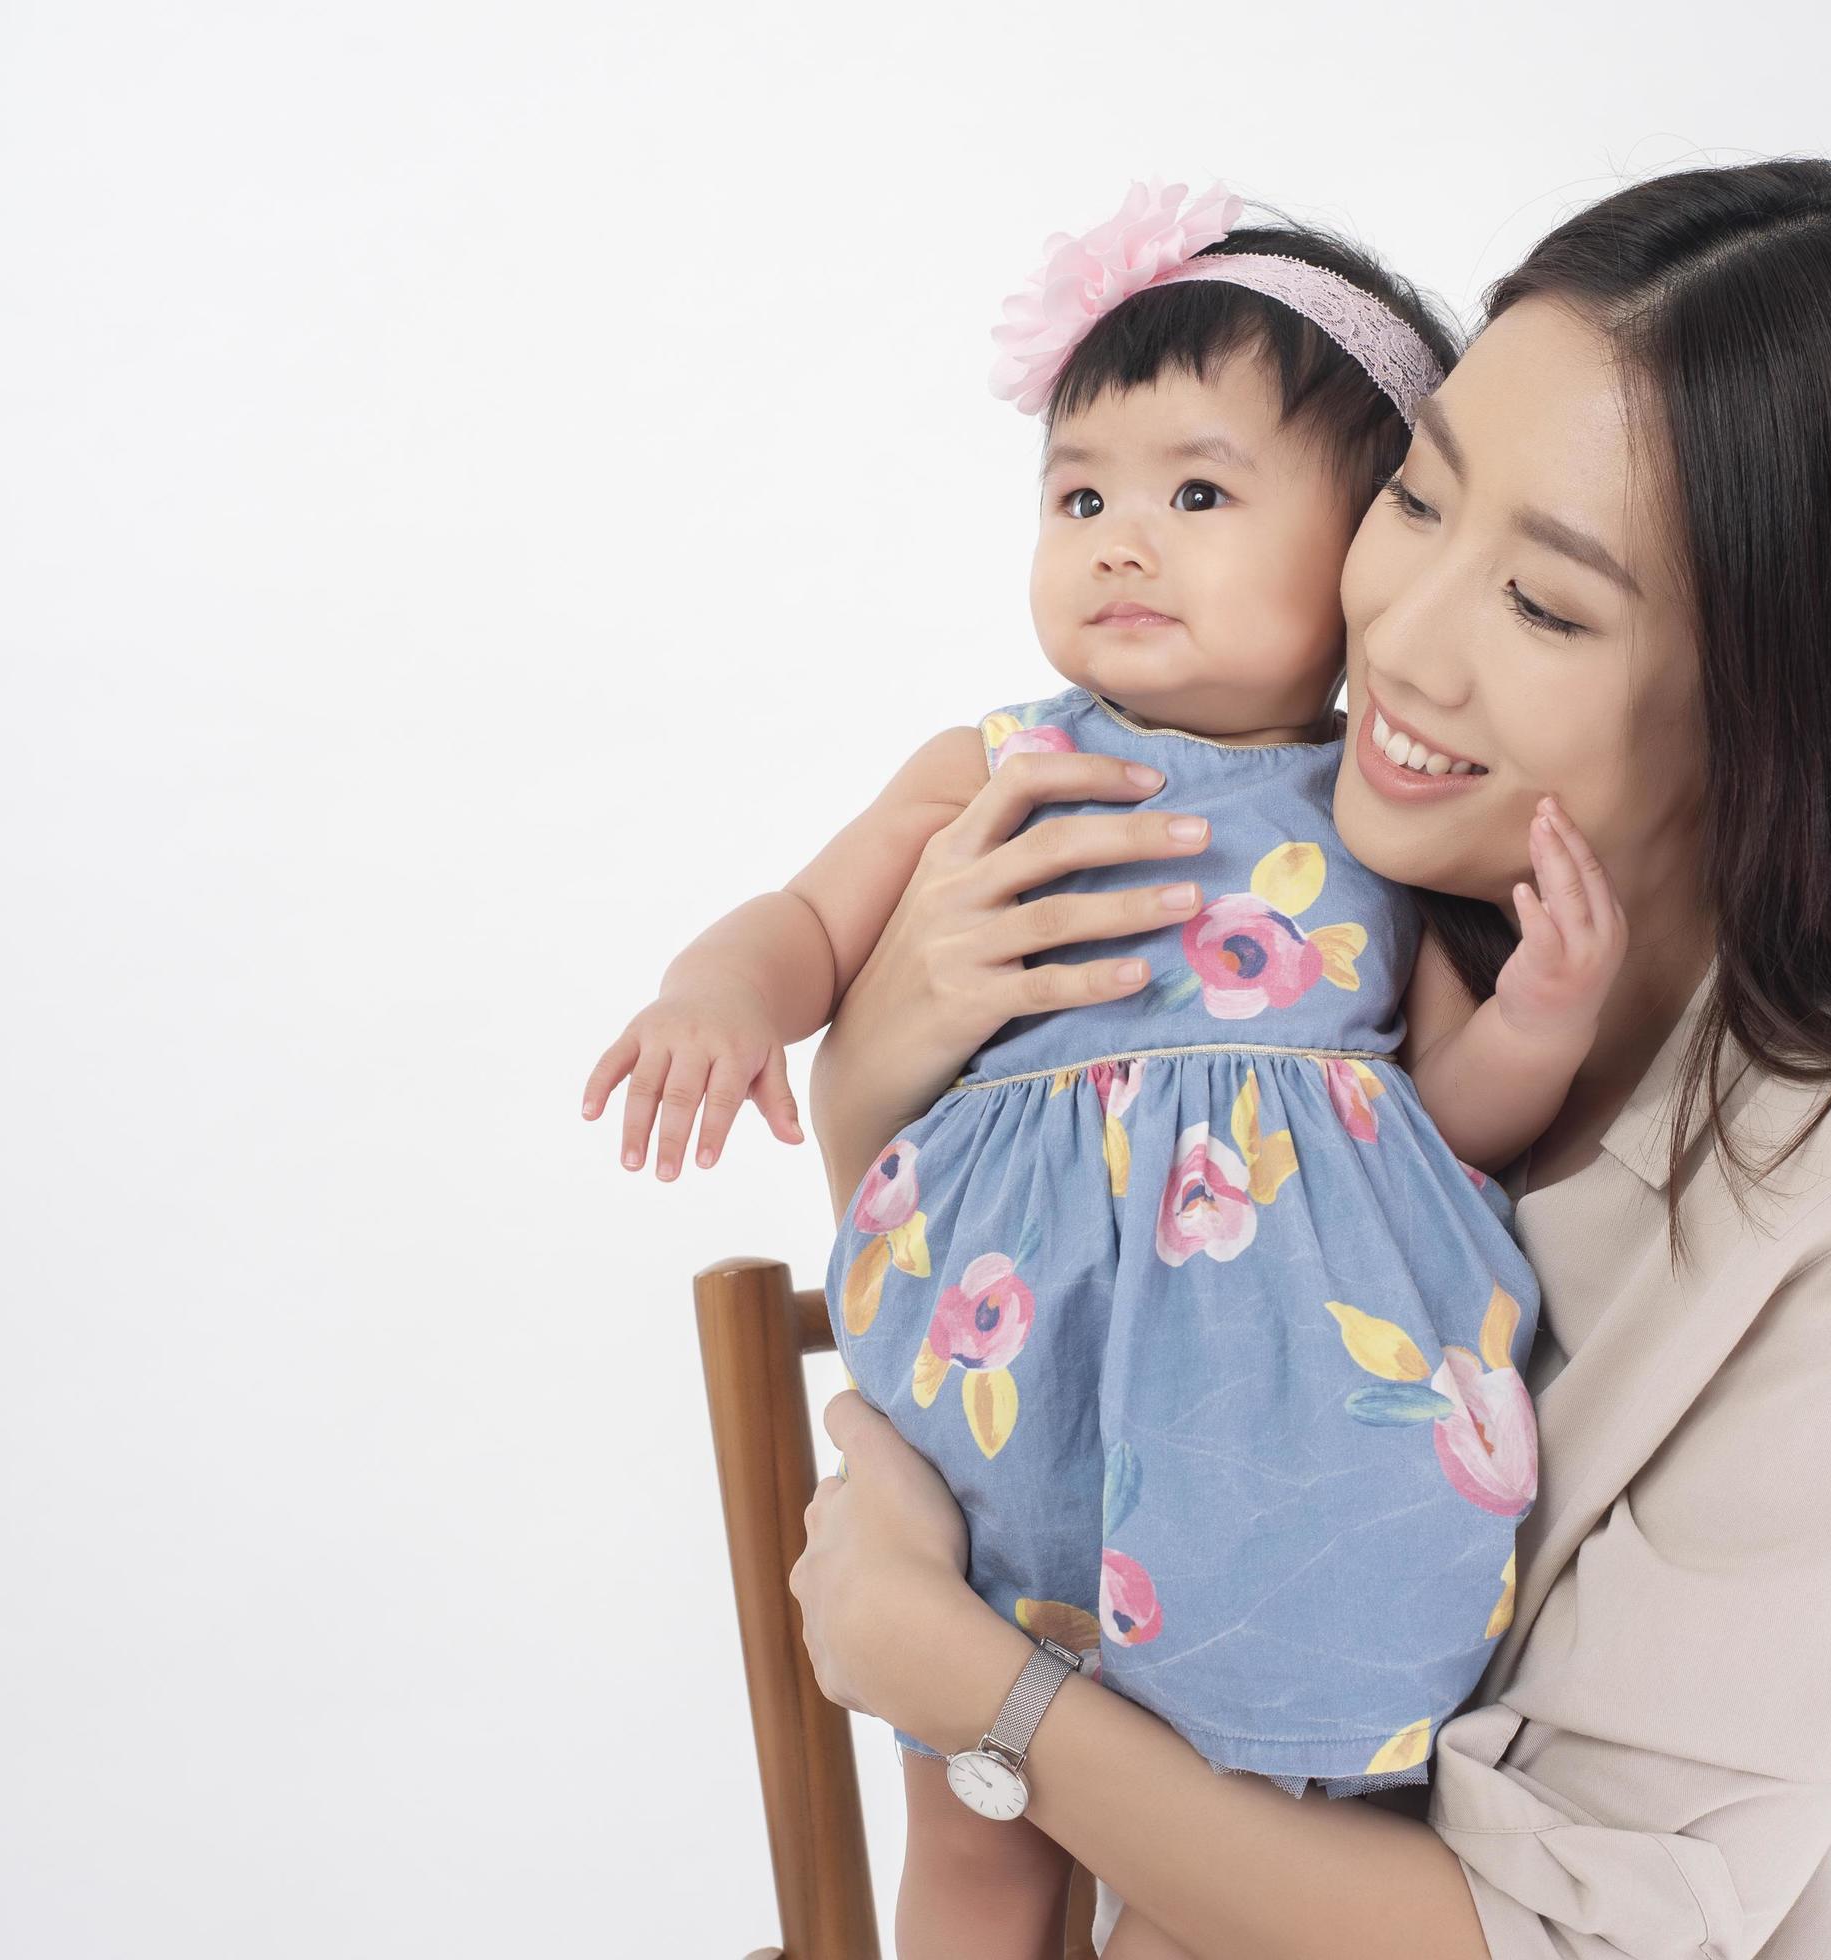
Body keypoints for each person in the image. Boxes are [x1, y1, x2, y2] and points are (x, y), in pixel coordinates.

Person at [785, 159, 1831, 1958]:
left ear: (1784, 717)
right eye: (1415, 497)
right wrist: (875, 1069)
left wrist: (984, 1695)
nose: (1403, 631)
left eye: (1546, 605)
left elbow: (1552, 1937)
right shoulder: (1317, 943)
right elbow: (1033, 1320)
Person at [586, 182, 1636, 1960]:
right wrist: (720, 990)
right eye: (1082, 494)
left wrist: (1539, 1012)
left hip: (1265, 1436)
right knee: (982, 1836)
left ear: (1371, 549)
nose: (1120, 540)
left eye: (1199, 493)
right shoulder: (988, 765)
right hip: (1005, 1385)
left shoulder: (1374, 828)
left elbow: (1439, 1128)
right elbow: (805, 923)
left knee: (1205, 1847)